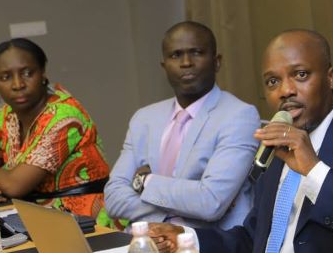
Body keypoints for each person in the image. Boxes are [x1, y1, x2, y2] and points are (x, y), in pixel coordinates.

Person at [149, 29, 333, 253]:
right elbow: (253, 242)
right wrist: (188, 239)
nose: (285, 90)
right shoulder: (277, 148)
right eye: (273, 82)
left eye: (300, 74)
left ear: (331, 78)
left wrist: (314, 170)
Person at [104, 21, 260, 230]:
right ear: (164, 66)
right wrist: (185, 205)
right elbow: (113, 199)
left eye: (196, 52)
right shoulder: (144, 119)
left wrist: (145, 181)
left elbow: (210, 202)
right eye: (175, 55)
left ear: (217, 62)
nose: (186, 62)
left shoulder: (238, 116)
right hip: (146, 240)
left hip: (205, 243)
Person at [0, 38, 110, 222]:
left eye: (27, 73)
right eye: (5, 77)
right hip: (34, 219)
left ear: (42, 73)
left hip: (86, 222)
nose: (18, 84)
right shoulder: (7, 114)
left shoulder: (65, 117)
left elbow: (15, 186)